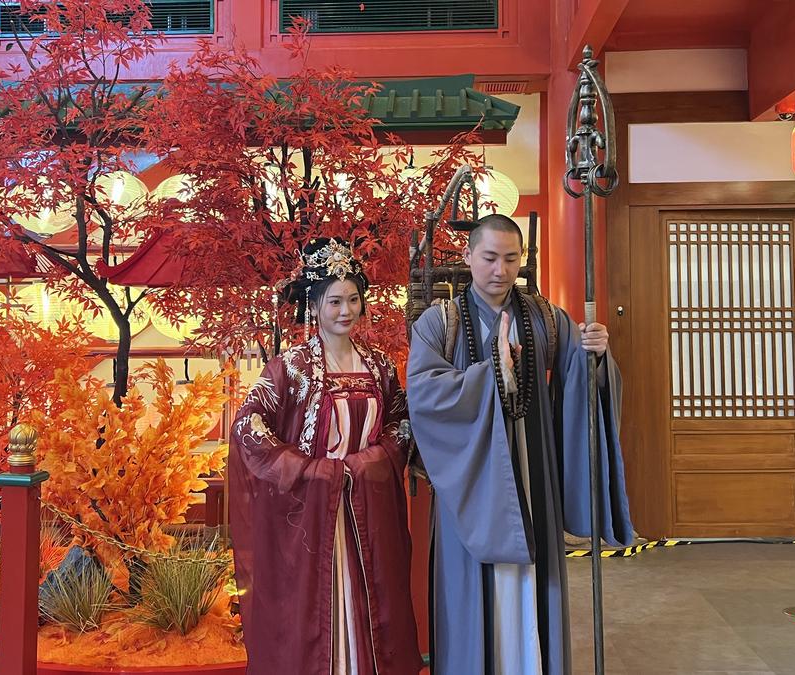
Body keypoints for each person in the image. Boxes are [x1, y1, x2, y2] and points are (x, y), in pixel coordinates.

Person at [406, 214, 634, 675]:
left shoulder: (545, 317)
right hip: (472, 486)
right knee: (472, 591)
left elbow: (582, 380)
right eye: (489, 257)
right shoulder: (441, 322)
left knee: (536, 584)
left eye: (511, 259)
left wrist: (595, 354)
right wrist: (492, 372)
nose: (501, 270)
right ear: (468, 256)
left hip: (533, 471)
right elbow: (424, 394)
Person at [229, 237, 422, 675]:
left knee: (378, 604)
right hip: (311, 513)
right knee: (313, 613)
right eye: (334, 301)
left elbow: (402, 422)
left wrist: (370, 462)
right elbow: (247, 425)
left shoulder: (379, 365)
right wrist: (307, 470)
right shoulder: (291, 367)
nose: (345, 311)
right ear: (314, 305)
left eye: (353, 299)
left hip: (368, 509)